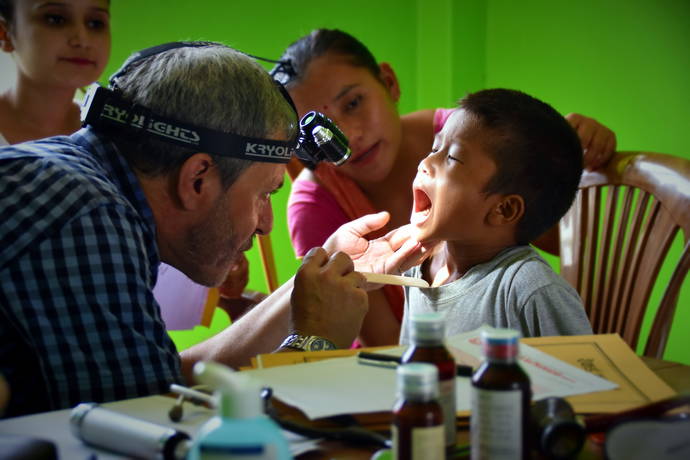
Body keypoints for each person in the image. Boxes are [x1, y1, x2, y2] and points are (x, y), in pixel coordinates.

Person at [0, 41, 420, 417]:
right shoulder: (88, 219)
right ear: (197, 179)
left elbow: (162, 382)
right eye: (265, 194)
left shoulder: (79, 185)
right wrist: (314, 343)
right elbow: (142, 429)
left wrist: (313, 283)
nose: (265, 224)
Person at [274, 29, 615, 346]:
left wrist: (554, 155)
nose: (350, 134)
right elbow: (395, 353)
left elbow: (582, 383)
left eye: (352, 103)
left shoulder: (474, 130)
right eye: (319, 129)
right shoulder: (415, 269)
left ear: (389, 82)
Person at [399, 88, 593, 342]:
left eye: (452, 157)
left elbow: (586, 378)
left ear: (504, 210)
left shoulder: (531, 290)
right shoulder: (415, 269)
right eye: (434, 148)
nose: (425, 163)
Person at [0, 0, 110, 145]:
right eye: (55, 19)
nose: (83, 40)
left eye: (95, 23)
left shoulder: (115, 135)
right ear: (6, 35)